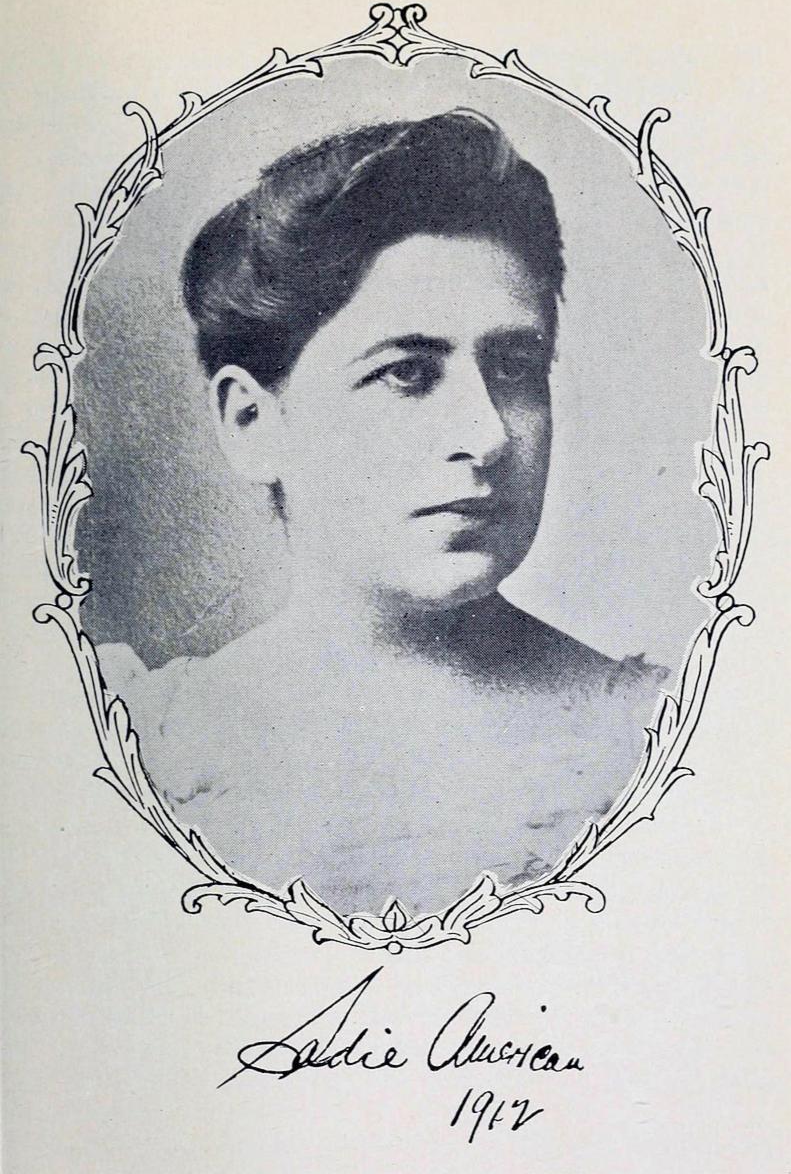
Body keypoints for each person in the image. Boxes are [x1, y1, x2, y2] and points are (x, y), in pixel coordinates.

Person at [98, 109, 667, 914]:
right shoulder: (144, 745)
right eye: (406, 373)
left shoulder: (654, 738)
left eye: (514, 367)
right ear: (252, 423)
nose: (486, 435)